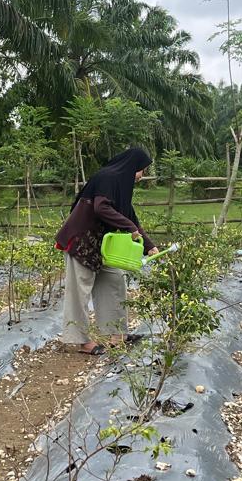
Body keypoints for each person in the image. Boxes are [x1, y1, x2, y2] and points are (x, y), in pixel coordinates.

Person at [55, 146, 158, 354]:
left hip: (103, 245)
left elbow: (131, 219)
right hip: (82, 242)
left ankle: (118, 333)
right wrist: (129, 228)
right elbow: (100, 207)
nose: (142, 175)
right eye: (142, 170)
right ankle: (82, 341)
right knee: (79, 291)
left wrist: (149, 246)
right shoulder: (107, 177)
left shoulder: (121, 185)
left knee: (114, 280)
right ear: (133, 166)